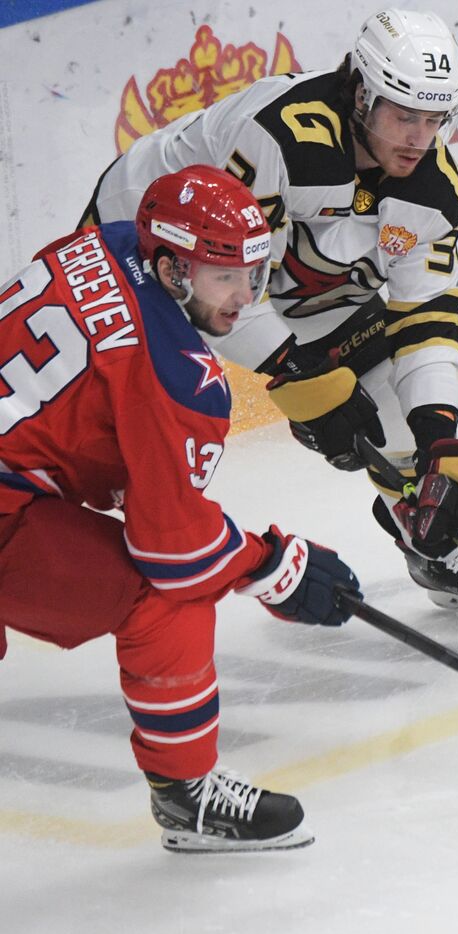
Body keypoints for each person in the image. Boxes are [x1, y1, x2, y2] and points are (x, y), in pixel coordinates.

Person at [81, 9, 458, 611]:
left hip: (271, 269)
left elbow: (425, 315)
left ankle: (434, 548)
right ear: (361, 93)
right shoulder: (280, 140)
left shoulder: (437, 190)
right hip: (146, 241)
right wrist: (297, 374)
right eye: (403, 115)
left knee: (391, 407)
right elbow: (218, 283)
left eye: (435, 120)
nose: (418, 138)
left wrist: (439, 435)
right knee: (120, 429)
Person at [0, 165, 363, 852]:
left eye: (251, 273)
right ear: (169, 268)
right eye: (222, 276)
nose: (244, 296)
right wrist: (271, 565)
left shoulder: (102, 243)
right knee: (158, 601)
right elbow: (176, 555)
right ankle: (188, 795)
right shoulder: (175, 375)